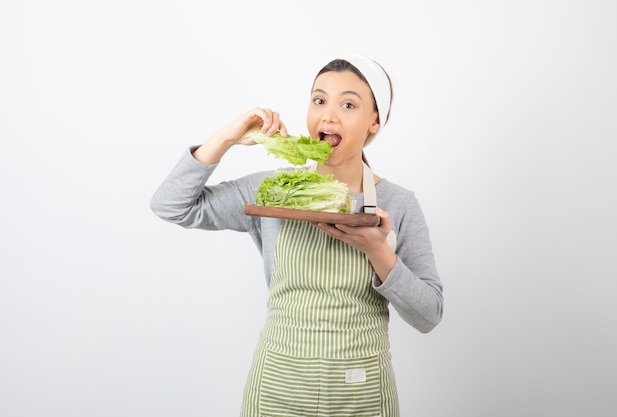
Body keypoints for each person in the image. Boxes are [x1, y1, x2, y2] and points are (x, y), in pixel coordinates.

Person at [150, 52, 443, 417]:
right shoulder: (272, 191)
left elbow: (428, 315)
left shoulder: (397, 203)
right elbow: (171, 205)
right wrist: (226, 138)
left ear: (374, 121)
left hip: (360, 389)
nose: (328, 115)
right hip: (277, 388)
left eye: (348, 104)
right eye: (319, 100)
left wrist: (379, 251)